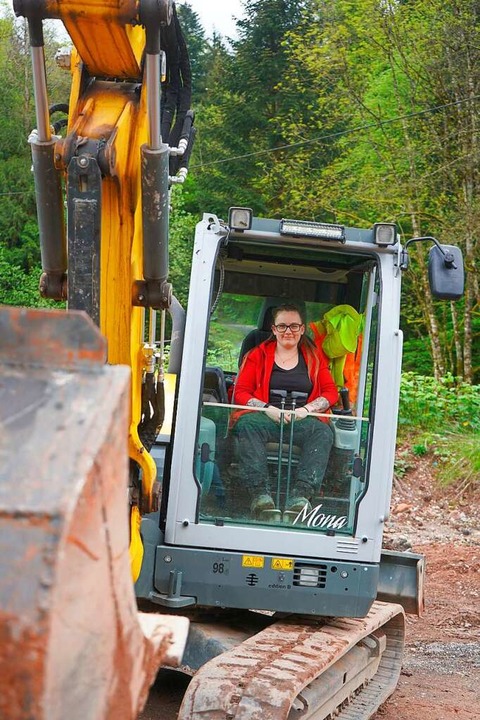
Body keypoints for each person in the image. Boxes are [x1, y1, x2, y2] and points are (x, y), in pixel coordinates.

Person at [232, 303, 338, 517]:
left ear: (302, 329)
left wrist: (307, 410)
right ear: (273, 329)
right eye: (282, 326)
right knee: (247, 426)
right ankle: (260, 496)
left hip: (302, 420)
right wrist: (266, 408)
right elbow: (241, 392)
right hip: (265, 418)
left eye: (293, 326)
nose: (288, 331)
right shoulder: (257, 355)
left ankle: (300, 497)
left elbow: (330, 393)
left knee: (323, 432)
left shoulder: (315, 358)